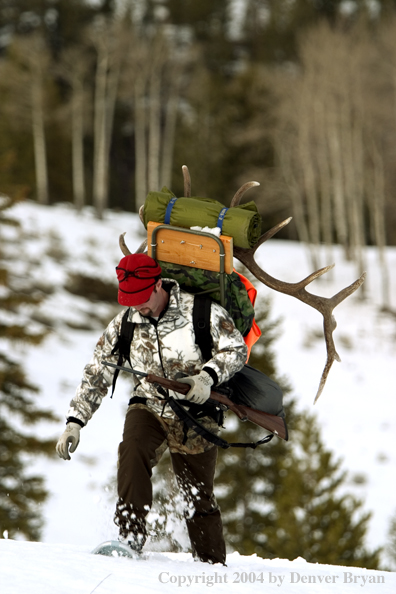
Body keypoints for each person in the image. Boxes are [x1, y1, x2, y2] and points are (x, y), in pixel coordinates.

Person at [56, 253, 247, 564]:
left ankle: (212, 565)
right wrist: (75, 421)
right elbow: (98, 371)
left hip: (197, 415)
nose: (136, 306)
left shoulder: (201, 312)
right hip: (149, 406)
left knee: (197, 497)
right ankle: (129, 541)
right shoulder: (125, 323)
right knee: (131, 453)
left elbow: (236, 349)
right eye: (129, 300)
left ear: (159, 285)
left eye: (141, 298)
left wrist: (206, 377)